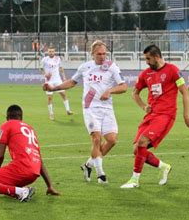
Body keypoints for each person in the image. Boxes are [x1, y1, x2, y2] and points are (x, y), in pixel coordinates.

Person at [43, 40, 127, 184]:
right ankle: (101, 174)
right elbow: (72, 82)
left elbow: (124, 86)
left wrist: (110, 90)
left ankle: (88, 165)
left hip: (107, 108)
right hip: (90, 108)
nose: (102, 57)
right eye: (99, 54)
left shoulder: (111, 66)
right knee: (96, 138)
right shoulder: (85, 67)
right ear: (92, 54)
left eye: (104, 54)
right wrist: (53, 88)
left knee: (112, 140)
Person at [120, 45, 189, 189]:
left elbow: (185, 92)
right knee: (137, 150)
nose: (147, 62)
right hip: (151, 116)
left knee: (142, 142)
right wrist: (144, 106)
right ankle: (164, 167)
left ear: (156, 57)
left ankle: (134, 180)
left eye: (148, 59)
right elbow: (134, 93)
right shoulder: (145, 74)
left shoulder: (173, 70)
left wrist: (186, 115)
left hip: (166, 115)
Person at [0, 105, 60, 202]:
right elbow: (39, 159)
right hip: (34, 172)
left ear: (7, 117)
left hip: (22, 168)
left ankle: (23, 191)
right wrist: (49, 186)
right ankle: (19, 191)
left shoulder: (7, 125)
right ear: (21, 117)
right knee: (7, 187)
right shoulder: (30, 129)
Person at [40, 47, 73, 120]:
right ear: (48, 52)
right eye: (50, 51)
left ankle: (68, 110)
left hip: (57, 80)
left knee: (63, 94)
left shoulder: (58, 59)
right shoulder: (44, 59)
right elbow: (41, 69)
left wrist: (64, 77)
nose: (51, 52)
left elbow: (61, 68)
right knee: (49, 98)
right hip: (49, 81)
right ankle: (51, 114)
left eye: (52, 51)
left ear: (54, 52)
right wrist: (45, 74)